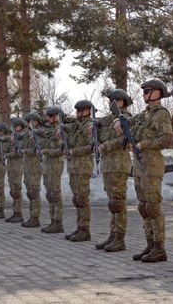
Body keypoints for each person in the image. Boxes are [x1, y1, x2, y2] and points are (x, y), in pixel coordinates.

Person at [129, 79, 173, 263]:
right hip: (140, 166)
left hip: (152, 165)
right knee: (144, 207)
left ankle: (159, 247)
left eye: (148, 90)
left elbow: (167, 139)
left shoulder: (161, 114)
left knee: (153, 207)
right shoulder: (143, 115)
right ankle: (150, 244)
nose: (144, 93)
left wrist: (145, 144)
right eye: (144, 91)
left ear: (158, 92)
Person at [94, 89, 133, 252]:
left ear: (122, 102)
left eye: (114, 100)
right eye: (110, 101)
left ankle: (119, 238)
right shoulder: (108, 120)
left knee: (118, 202)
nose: (111, 104)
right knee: (112, 203)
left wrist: (105, 146)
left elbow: (123, 139)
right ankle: (113, 234)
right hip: (108, 165)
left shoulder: (126, 118)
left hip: (118, 164)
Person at [64, 100, 95, 242]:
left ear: (89, 110)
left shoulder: (90, 125)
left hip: (83, 166)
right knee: (77, 198)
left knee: (82, 198)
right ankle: (79, 226)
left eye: (82, 110)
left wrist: (73, 151)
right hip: (73, 166)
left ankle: (85, 229)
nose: (78, 113)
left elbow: (91, 147)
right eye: (77, 110)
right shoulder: (76, 126)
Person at [39, 107, 65, 234]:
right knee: (50, 194)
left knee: (55, 194)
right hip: (48, 165)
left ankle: (58, 222)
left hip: (55, 165)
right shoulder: (52, 130)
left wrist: (46, 151)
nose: (48, 119)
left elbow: (61, 150)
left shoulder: (61, 129)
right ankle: (53, 221)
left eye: (50, 116)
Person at [2, 118, 27, 223]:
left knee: (17, 191)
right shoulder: (13, 136)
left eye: (14, 126)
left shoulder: (22, 137)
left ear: (19, 126)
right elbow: (6, 148)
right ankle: (15, 212)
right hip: (11, 167)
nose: (13, 128)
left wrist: (7, 154)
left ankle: (19, 214)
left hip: (17, 167)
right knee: (13, 191)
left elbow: (18, 152)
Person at [21, 112, 44, 228]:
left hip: (34, 166)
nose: (29, 124)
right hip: (27, 166)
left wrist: (25, 151)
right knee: (30, 192)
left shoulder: (40, 133)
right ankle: (31, 216)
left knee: (34, 192)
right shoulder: (28, 134)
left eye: (31, 121)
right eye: (28, 122)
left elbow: (37, 149)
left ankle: (36, 217)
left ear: (36, 122)